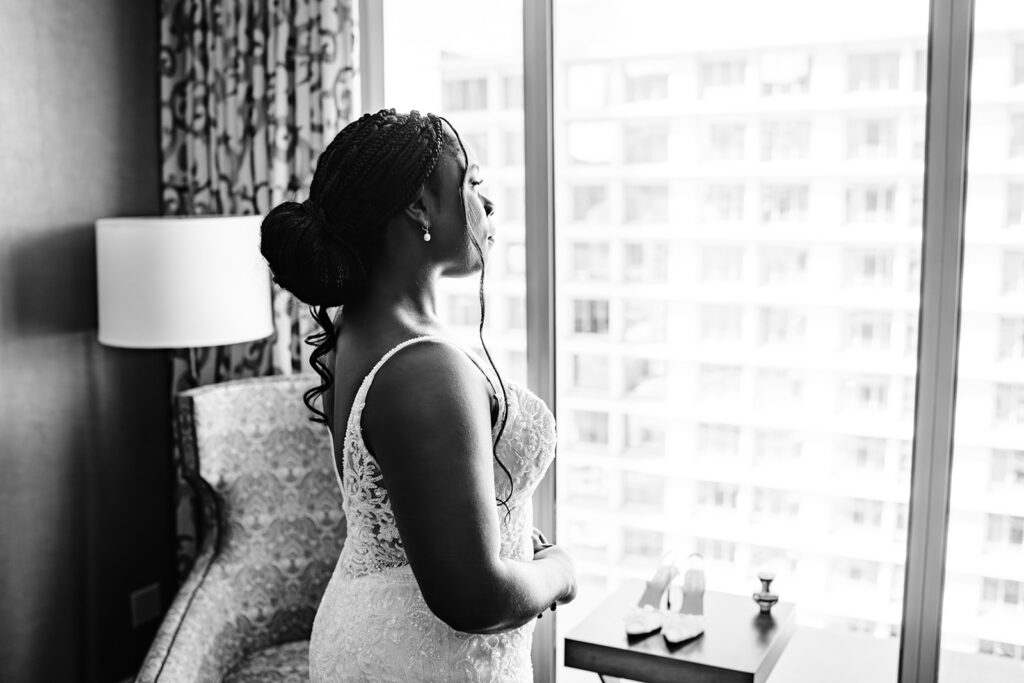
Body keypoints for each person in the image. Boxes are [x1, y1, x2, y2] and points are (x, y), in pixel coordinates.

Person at [260, 109, 577, 682]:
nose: (489, 205)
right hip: (422, 660)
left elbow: (407, 502)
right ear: (418, 205)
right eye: (473, 183)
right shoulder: (426, 368)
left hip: (371, 630)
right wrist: (558, 571)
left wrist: (492, 528)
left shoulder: (356, 329)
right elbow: (474, 599)